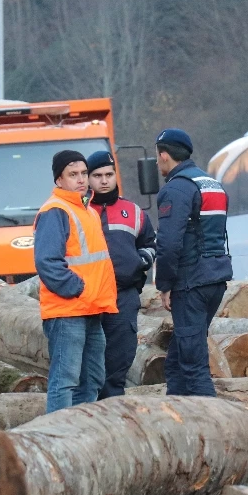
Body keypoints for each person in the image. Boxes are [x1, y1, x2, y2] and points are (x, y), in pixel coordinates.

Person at [34, 150, 118, 413]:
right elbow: (47, 262)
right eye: (73, 174)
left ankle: (81, 431)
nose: (81, 179)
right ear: (59, 180)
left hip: (90, 308)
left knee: (92, 378)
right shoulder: (55, 210)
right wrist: (78, 288)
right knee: (65, 381)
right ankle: (59, 434)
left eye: (83, 173)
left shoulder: (87, 210)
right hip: (68, 310)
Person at [153, 128, 233, 396]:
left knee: (193, 367)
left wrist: (164, 284)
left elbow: (168, 244)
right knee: (176, 362)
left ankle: (211, 419)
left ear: (164, 155)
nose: (157, 162)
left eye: (157, 156)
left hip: (191, 283)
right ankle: (177, 414)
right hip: (215, 278)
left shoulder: (176, 189)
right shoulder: (212, 183)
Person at [87, 150, 157, 398]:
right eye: (97, 176)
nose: (104, 181)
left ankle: (113, 413)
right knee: (88, 368)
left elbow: (150, 244)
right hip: (87, 298)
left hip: (123, 296)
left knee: (118, 363)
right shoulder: (80, 211)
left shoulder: (133, 211)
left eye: (109, 174)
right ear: (88, 178)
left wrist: (139, 262)